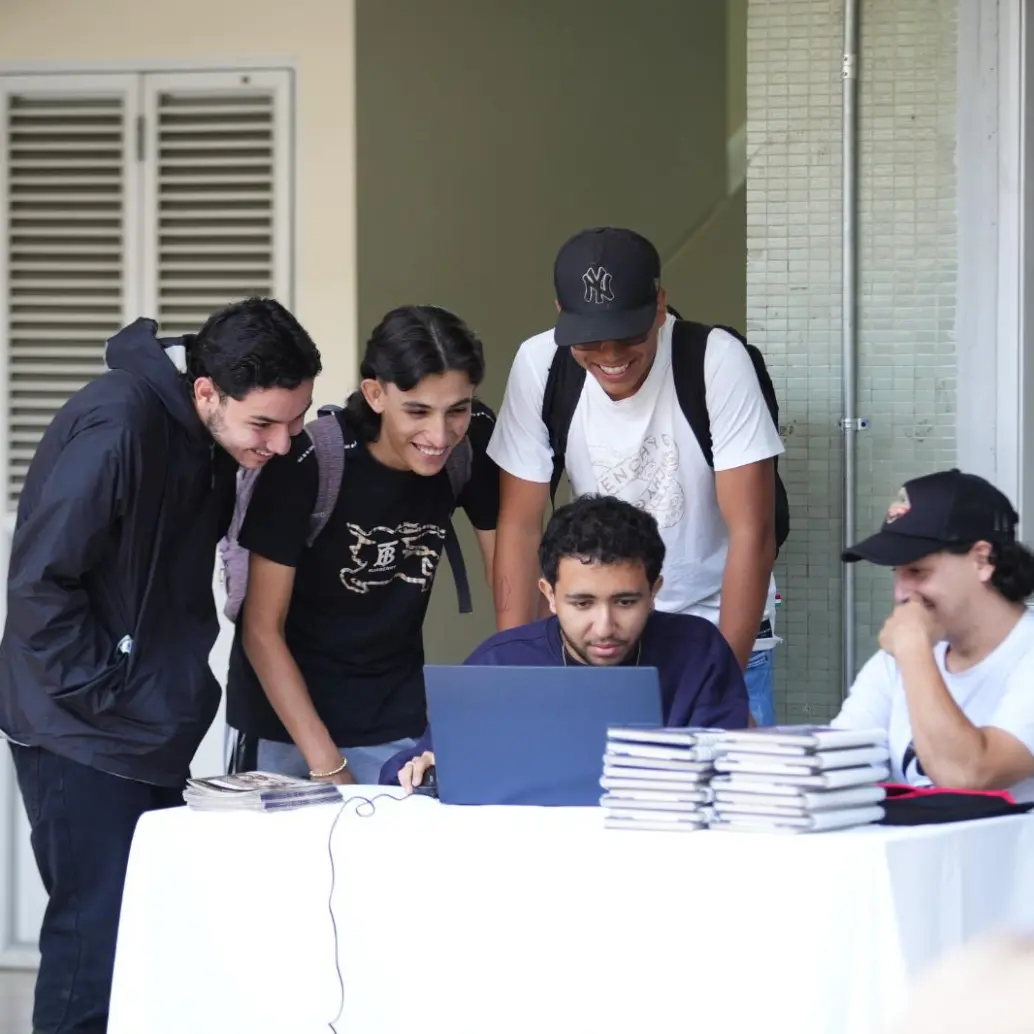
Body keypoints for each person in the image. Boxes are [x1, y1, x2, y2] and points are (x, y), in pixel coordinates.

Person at [0, 298, 322, 1034]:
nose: (281, 443)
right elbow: (39, 586)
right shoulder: (119, 426)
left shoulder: (205, 433)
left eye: (295, 420)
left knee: (148, 950)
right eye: (264, 425)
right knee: (94, 953)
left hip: (146, 725)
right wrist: (107, 689)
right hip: (81, 730)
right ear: (206, 391)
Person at [487, 227, 785, 725]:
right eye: (590, 341)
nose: (610, 357)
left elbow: (753, 533)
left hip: (717, 631)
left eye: (628, 336)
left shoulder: (714, 359)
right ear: (562, 313)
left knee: (723, 797)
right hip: (595, 647)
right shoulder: (540, 365)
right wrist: (519, 679)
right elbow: (519, 525)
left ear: (660, 305)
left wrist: (718, 683)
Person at [225, 305, 499, 786]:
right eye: (417, 411)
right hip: (285, 727)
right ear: (374, 393)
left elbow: (512, 573)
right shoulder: (306, 464)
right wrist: (330, 766)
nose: (439, 435)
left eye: (456, 409)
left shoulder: (471, 443)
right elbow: (261, 631)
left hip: (395, 718)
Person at [381, 493, 750, 792]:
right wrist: (421, 769)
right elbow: (413, 767)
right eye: (582, 603)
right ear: (550, 595)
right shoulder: (499, 666)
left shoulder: (697, 652)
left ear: (654, 591)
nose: (604, 626)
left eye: (625, 602)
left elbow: (734, 773)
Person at [833, 469, 1034, 802]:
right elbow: (835, 764)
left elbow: (969, 775)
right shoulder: (897, 659)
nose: (900, 593)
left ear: (982, 560)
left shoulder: (912, 650)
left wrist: (913, 650)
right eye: (896, 574)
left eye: (917, 571)